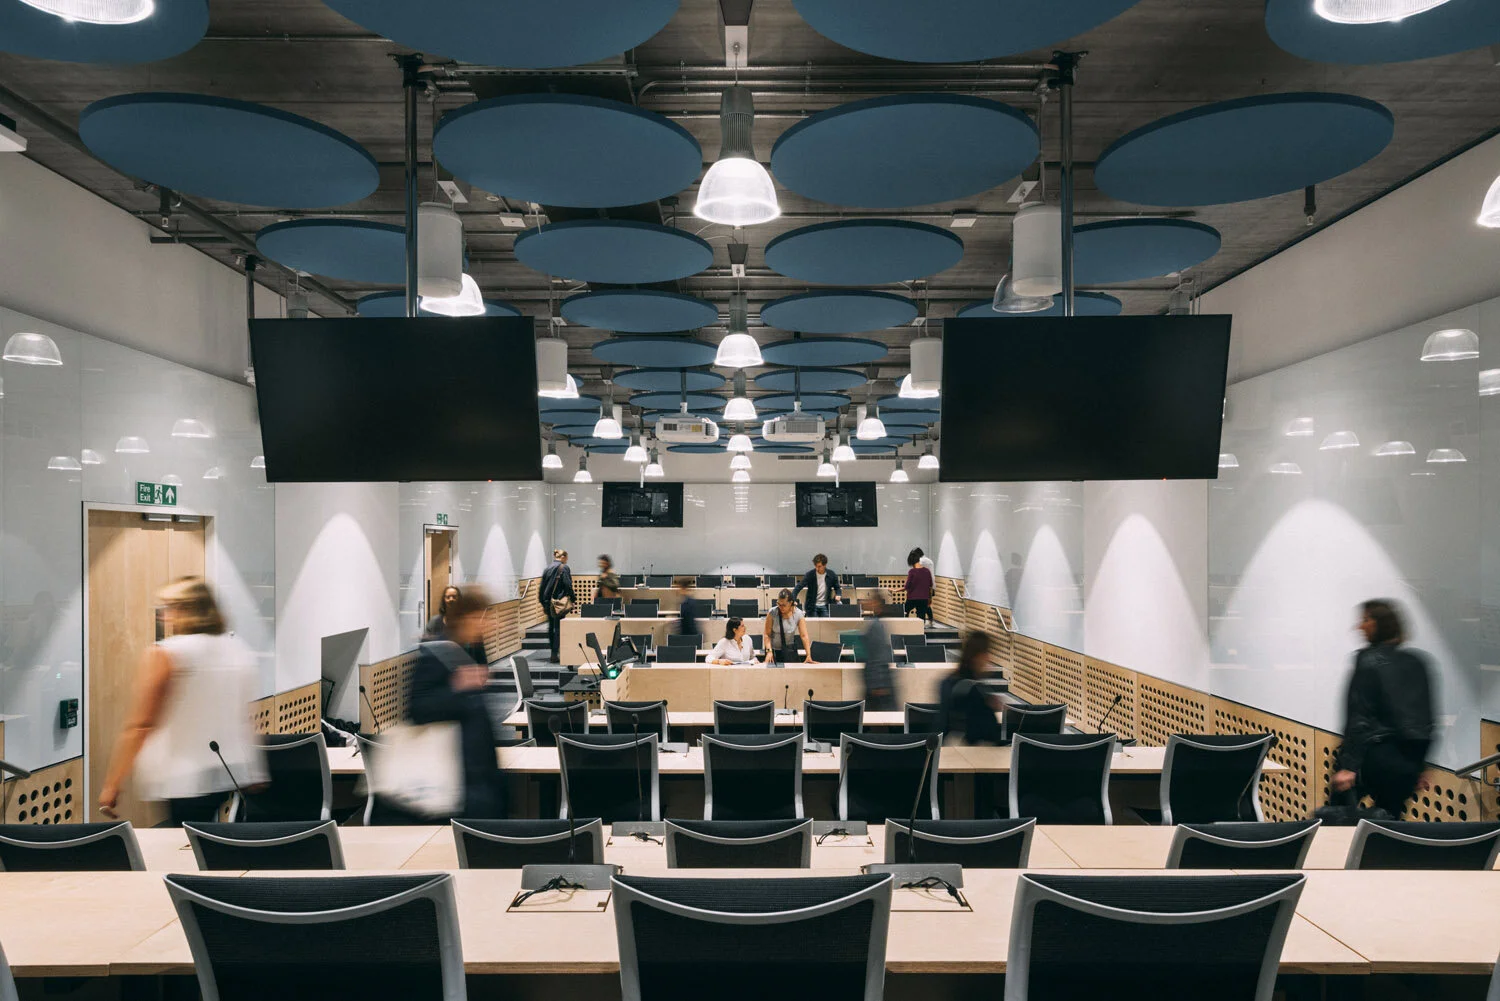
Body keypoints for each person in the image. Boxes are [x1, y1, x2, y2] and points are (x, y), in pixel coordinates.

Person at [99, 578, 266, 825]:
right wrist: (256, 769)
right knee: (207, 835)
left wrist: (112, 783)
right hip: (225, 770)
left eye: (168, 607)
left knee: (182, 841)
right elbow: (243, 717)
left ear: (187, 609)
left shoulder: (166, 653)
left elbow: (141, 724)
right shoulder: (237, 649)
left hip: (180, 774)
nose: (163, 615)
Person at [406, 586, 506, 818]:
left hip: (478, 774)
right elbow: (416, 709)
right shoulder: (438, 652)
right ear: (466, 617)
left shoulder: (469, 650)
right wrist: (458, 687)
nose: (487, 624)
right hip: (456, 778)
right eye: (482, 618)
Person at [1331, 599, 1435, 819]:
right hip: (1406, 762)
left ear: (1380, 623)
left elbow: (1359, 715)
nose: (1359, 626)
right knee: (1389, 824)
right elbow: (1423, 719)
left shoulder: (1367, 660)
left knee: (1335, 818)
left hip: (1372, 756)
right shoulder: (1418, 662)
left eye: (1366, 620)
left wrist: (1348, 765)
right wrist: (1420, 765)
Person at [939, 632, 1005, 745]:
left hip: (950, 749)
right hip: (976, 753)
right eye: (987, 652)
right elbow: (989, 733)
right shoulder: (975, 691)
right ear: (978, 656)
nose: (989, 657)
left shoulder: (948, 682)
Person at [538, 549, 574, 663]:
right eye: (566, 558)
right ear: (563, 557)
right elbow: (568, 585)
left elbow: (542, 587)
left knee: (551, 627)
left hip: (548, 602)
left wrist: (543, 602)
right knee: (559, 627)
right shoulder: (564, 568)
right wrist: (573, 599)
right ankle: (556, 652)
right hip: (559, 603)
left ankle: (553, 652)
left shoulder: (547, 568)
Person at [862, 591, 897, 711]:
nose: (867, 602)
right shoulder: (877, 624)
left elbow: (878, 657)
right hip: (877, 681)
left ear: (876, 604)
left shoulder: (876, 626)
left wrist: (878, 685)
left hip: (878, 683)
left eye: (870, 600)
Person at [764, 588, 814, 663]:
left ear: (790, 603)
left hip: (789, 651)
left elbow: (804, 636)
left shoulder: (798, 614)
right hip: (773, 651)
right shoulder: (772, 613)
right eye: (778, 604)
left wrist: (808, 655)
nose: (780, 607)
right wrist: (769, 651)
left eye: (783, 605)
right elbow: (767, 635)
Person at [904, 548, 934, 624]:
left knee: (905, 611)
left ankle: (905, 626)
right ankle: (928, 624)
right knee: (922, 613)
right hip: (925, 593)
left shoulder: (918, 565)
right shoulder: (927, 566)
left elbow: (907, 586)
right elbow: (930, 582)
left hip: (914, 595)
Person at [674, 576, 702, 641]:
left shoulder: (687, 603)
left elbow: (689, 623)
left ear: (683, 588)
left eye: (679, 588)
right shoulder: (688, 601)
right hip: (690, 636)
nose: (677, 590)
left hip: (689, 637)